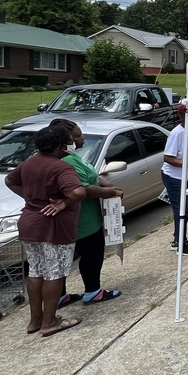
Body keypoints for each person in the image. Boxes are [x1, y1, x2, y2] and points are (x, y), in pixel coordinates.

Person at [4, 124, 86, 337]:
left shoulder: (29, 162)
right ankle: (50, 322)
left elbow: (9, 180)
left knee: (36, 271)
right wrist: (63, 204)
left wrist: (30, 197)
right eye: (69, 140)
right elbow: (78, 192)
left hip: (30, 223)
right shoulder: (61, 167)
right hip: (52, 227)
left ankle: (35, 320)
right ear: (60, 146)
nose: (72, 143)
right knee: (55, 273)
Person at [51, 119, 124, 305]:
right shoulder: (67, 161)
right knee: (91, 253)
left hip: (86, 217)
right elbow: (84, 189)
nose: (81, 138)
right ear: (66, 140)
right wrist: (111, 192)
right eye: (77, 136)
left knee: (71, 257)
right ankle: (92, 291)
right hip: (83, 220)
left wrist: (108, 185)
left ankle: (61, 296)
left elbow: (93, 176)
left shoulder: (73, 157)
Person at [161, 98, 188, 254]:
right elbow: (168, 157)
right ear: (181, 117)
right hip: (175, 178)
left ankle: (180, 237)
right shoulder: (177, 134)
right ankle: (180, 244)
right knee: (181, 210)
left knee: (187, 209)